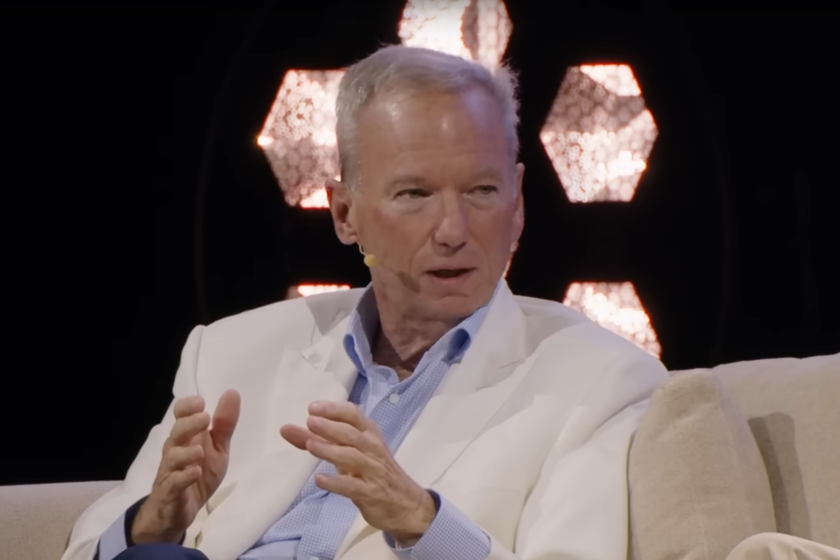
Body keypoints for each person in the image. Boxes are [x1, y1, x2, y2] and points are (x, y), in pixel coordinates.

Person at [63, 45, 668, 560]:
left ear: (519, 204)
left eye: (483, 191)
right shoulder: (230, 352)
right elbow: (85, 546)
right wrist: (154, 524)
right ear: (345, 213)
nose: (453, 230)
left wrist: (421, 520)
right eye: (415, 194)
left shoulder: (601, 383)